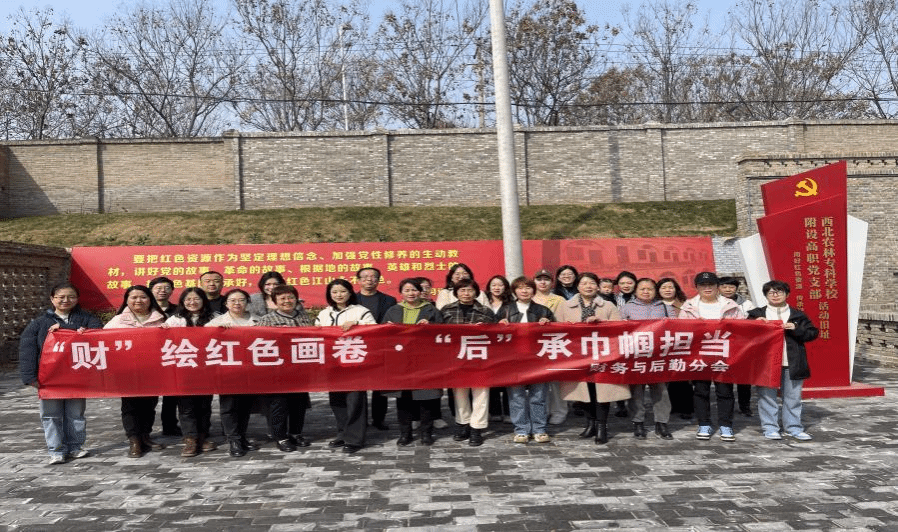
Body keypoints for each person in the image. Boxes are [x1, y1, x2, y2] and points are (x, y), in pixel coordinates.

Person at [19, 282, 103, 464]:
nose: (66, 300)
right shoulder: (39, 323)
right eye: (61, 297)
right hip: (49, 377)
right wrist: (30, 377)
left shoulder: (87, 319)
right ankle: (56, 450)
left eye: (71, 297)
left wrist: (71, 330)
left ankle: (75, 447)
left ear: (77, 299)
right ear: (52, 299)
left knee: (76, 414)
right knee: (51, 415)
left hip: (77, 376)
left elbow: (99, 335)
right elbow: (27, 351)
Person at [555, 272, 627, 444]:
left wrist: (601, 322)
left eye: (592, 283)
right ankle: (590, 423)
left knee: (601, 392)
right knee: (583, 392)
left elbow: (618, 328)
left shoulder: (608, 305)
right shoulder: (565, 306)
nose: (588, 286)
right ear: (578, 286)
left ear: (598, 286)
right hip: (577, 355)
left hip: (602, 355)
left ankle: (602, 426)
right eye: (584, 283)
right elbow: (557, 329)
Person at [747, 280, 819, 441]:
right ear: (766, 295)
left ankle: (793, 427)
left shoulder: (797, 315)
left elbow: (812, 333)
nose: (775, 295)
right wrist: (754, 325)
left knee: (793, 397)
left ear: (787, 294)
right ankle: (770, 427)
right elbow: (744, 334)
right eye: (771, 292)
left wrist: (796, 328)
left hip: (792, 362)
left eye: (779, 291)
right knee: (766, 396)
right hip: (766, 363)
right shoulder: (756, 314)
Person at [678, 272, 746, 442]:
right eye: (703, 285)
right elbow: (681, 331)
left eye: (711, 285)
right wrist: (695, 327)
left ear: (717, 287)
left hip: (724, 354)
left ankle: (726, 425)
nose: (707, 288)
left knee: (725, 391)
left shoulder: (730, 305)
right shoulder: (688, 307)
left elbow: (742, 328)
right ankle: (704, 424)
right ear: (697, 287)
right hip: (699, 354)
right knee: (701, 391)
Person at [104, 285, 168, 458]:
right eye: (133, 297)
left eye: (143, 297)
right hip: (126, 371)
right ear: (127, 300)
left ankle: (145, 435)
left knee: (150, 404)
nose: (138, 300)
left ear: (150, 299)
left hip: (152, 370)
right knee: (130, 406)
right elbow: (102, 341)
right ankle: (134, 440)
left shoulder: (161, 319)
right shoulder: (117, 321)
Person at [315, 279, 377, 454]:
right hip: (332, 364)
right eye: (334, 292)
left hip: (355, 363)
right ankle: (342, 433)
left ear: (350, 293)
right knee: (337, 401)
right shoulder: (324, 313)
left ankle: (355, 439)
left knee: (355, 401)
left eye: (342, 291)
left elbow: (375, 330)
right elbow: (316, 334)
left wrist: (357, 325)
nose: (339, 295)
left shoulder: (361, 311)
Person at [382, 278, 445, 446]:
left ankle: (426, 433)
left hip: (425, 360)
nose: (411, 293)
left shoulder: (431, 310)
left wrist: (431, 326)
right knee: (403, 399)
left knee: (427, 399)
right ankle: (405, 433)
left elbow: (443, 332)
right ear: (401, 293)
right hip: (400, 361)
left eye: (414, 290)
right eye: (407, 290)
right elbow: (382, 335)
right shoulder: (393, 310)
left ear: (420, 292)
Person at [495, 276, 555, 444]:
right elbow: (493, 334)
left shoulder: (543, 310)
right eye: (520, 288)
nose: (524, 291)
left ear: (533, 291)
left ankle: (539, 429)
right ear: (514, 291)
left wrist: (549, 323)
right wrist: (498, 324)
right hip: (513, 360)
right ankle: (521, 429)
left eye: (528, 288)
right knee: (516, 396)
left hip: (538, 359)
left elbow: (557, 334)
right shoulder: (505, 310)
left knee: (538, 396)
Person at [257, 284, 313, 452]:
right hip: (277, 370)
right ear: (274, 301)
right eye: (282, 298)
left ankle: (296, 433)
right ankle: (280, 437)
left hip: (300, 368)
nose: (287, 301)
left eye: (290, 297)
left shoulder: (304, 317)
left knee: (299, 403)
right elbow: (258, 342)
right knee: (279, 404)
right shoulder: (267, 320)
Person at [441, 278, 497, 446]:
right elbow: (438, 333)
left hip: (480, 358)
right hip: (456, 357)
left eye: (470, 290)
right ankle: (463, 424)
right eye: (462, 290)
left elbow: (496, 335)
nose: (466, 294)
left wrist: (485, 329)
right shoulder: (446, 310)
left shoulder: (486, 311)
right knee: (460, 392)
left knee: (481, 393)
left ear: (476, 292)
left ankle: (477, 428)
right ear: (456, 292)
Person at [206, 288, 260, 457]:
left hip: (250, 370)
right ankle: (233, 439)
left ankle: (242, 436)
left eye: (241, 300)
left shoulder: (257, 321)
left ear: (247, 302)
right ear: (226, 303)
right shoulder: (216, 322)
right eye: (233, 300)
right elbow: (202, 339)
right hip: (227, 371)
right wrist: (217, 331)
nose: (237, 303)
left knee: (245, 406)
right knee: (229, 406)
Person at [163, 287, 216, 457]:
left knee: (204, 404)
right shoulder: (175, 320)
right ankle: (190, 438)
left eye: (196, 299)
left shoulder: (215, 318)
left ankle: (203, 435)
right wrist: (162, 330)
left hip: (206, 368)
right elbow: (163, 338)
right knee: (186, 406)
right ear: (182, 302)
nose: (192, 302)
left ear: (203, 301)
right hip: (183, 368)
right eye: (188, 299)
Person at [619, 278, 673, 440]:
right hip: (636, 355)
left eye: (650, 289)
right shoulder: (627, 308)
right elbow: (618, 329)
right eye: (642, 289)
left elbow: (676, 327)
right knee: (636, 391)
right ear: (635, 291)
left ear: (655, 291)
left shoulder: (665, 307)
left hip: (659, 355)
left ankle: (661, 423)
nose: (646, 291)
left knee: (661, 390)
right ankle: (638, 422)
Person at [354, 267, 397, 432]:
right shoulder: (352, 299)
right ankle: (360, 420)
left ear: (378, 280)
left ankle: (379, 419)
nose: (369, 279)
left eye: (373, 277)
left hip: (380, 347)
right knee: (358, 387)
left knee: (380, 386)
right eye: (365, 277)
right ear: (358, 280)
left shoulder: (389, 300)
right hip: (357, 346)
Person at [532, 268, 567, 425]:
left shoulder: (559, 300)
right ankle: (542, 411)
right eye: (539, 279)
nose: (543, 282)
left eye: (546, 279)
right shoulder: (529, 298)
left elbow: (564, 321)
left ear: (552, 282)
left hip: (554, 342)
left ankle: (559, 411)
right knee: (538, 380)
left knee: (556, 381)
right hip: (534, 345)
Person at [720, 276, 757, 417]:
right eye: (724, 286)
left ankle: (745, 406)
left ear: (736, 288)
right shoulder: (715, 303)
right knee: (725, 378)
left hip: (742, 345)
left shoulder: (747, 304)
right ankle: (727, 406)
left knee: (744, 379)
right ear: (719, 288)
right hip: (722, 345)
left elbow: (753, 322)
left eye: (731, 287)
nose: (728, 289)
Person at [657, 277, 692, 419]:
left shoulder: (685, 304)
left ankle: (686, 408)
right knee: (667, 377)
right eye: (664, 287)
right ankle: (671, 406)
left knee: (683, 377)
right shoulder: (654, 305)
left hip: (682, 344)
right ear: (658, 290)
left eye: (670, 287)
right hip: (662, 345)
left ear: (676, 289)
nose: (667, 290)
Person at [149, 276, 180, 436]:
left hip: (173, 355)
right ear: (151, 290)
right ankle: (145, 431)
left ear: (172, 291)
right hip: (150, 357)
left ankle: (170, 425)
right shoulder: (146, 309)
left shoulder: (179, 310)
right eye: (158, 288)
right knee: (149, 395)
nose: (163, 291)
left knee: (172, 394)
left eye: (167, 288)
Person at [485, 275, 513, 423]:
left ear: (505, 287)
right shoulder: (483, 303)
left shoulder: (511, 304)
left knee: (508, 381)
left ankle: (508, 412)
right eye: (494, 285)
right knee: (491, 380)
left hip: (507, 346)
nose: (497, 288)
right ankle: (494, 411)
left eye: (500, 285)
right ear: (489, 287)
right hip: (488, 346)